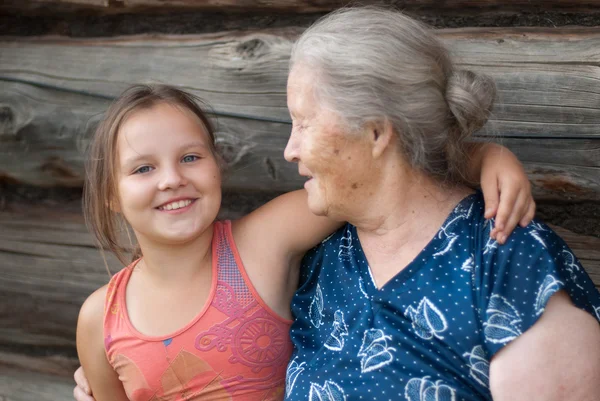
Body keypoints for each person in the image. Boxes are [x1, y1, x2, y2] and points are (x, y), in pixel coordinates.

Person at [73, 15, 540, 401]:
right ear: (110, 193)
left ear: (217, 165)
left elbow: (384, 175)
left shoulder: (265, 240)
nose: (172, 178)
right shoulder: (101, 320)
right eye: (142, 169)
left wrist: (482, 156)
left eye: (190, 157)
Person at [278, 7, 600, 401]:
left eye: (304, 122)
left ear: (376, 132)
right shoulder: (324, 257)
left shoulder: (505, 259)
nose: (289, 150)